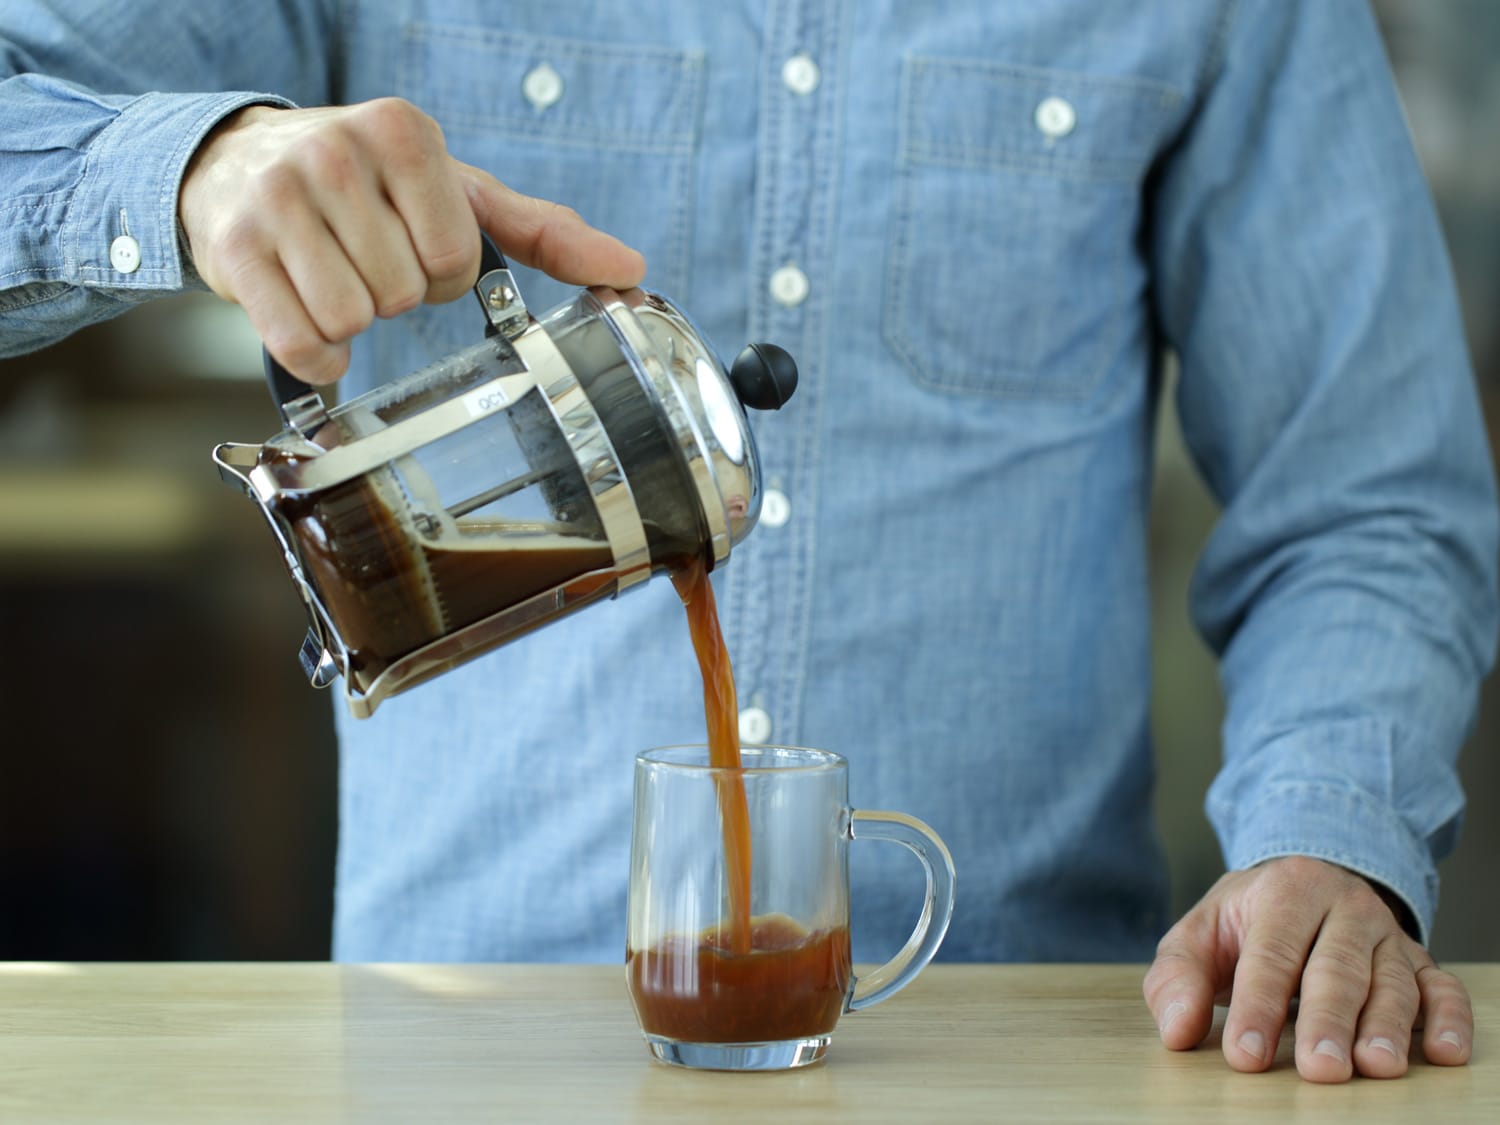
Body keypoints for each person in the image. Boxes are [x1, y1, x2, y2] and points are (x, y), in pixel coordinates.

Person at [2, 0, 1493, 1084]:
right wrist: (189, 166)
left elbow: (1366, 497)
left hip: (1010, 1056)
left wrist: (1326, 842)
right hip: (459, 1053)